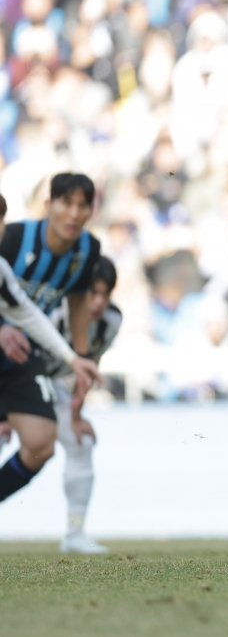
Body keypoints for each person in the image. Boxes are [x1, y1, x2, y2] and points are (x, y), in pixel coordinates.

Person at [0, 175, 102, 509]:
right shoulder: (14, 239)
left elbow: (30, 311)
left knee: (41, 443)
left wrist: (77, 356)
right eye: (66, 202)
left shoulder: (86, 251)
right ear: (48, 205)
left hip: (24, 352)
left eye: (82, 205)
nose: (73, 213)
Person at [41, 257, 121, 553]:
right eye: (92, 292)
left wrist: (76, 414)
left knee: (82, 443)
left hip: (52, 386)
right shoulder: (55, 309)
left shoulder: (111, 321)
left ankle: (74, 535)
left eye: (105, 294)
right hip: (14, 384)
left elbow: (90, 366)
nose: (98, 301)